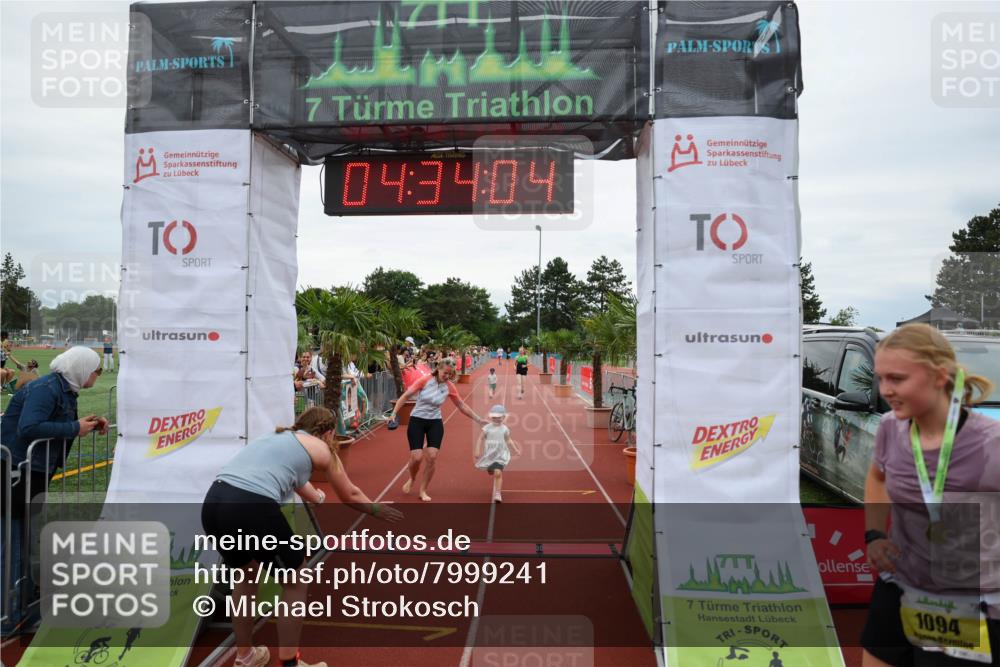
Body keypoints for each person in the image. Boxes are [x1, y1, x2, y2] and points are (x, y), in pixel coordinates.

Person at [201, 406, 403, 667]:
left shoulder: (279, 438)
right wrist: (378, 510)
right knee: (296, 579)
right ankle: (290, 663)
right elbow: (350, 494)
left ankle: (245, 656)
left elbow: (297, 481)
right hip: (251, 507)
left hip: (215, 502)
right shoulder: (320, 447)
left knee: (246, 576)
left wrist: (317, 497)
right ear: (329, 433)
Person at [861, 324, 1000, 667]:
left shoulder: (990, 443)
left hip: (966, 601)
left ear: (939, 377)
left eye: (897, 378)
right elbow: (877, 476)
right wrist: (875, 534)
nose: (885, 390)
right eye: (881, 379)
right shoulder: (890, 428)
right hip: (900, 583)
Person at [0, 346, 108, 631]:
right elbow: (29, 427)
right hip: (16, 470)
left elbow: (55, 424)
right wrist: (74, 427)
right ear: (82, 368)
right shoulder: (46, 388)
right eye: (97, 369)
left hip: (32, 469)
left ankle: (21, 606)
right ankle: (9, 614)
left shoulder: (64, 389)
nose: (99, 374)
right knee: (12, 542)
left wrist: (90, 424)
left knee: (22, 540)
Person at [388, 357, 487, 501]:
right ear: (438, 369)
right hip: (417, 420)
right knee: (416, 457)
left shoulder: (449, 387)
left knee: (432, 457)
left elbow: (461, 406)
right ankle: (412, 478)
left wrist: (479, 420)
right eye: (445, 373)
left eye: (450, 374)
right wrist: (393, 414)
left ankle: (423, 490)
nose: (447, 376)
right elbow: (405, 396)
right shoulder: (425, 380)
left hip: (435, 422)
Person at [473, 404, 521, 503]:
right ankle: (490, 468)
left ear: (504, 417)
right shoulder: (487, 428)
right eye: (494, 417)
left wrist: (515, 449)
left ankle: (498, 493)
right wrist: (477, 450)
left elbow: (508, 440)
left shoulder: (505, 429)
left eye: (499, 417)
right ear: (491, 417)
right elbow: (480, 438)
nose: (496, 419)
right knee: (492, 470)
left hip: (501, 454)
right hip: (490, 454)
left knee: (498, 473)